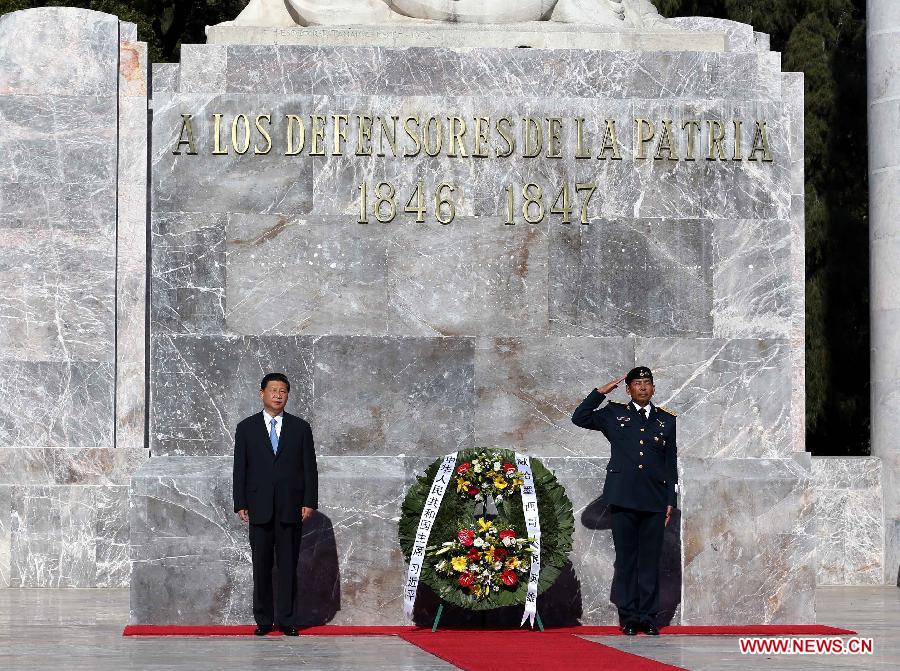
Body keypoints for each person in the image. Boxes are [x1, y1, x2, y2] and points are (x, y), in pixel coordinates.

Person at [571, 366, 677, 636]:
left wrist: (670, 500)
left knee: (650, 561)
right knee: (627, 560)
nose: (643, 387)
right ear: (628, 389)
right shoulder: (614, 413)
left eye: (647, 383)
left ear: (653, 388)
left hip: (654, 500)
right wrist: (599, 393)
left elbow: (669, 462)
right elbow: (579, 418)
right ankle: (629, 617)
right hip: (624, 498)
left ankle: (648, 617)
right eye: (637, 383)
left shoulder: (667, 420)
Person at [233, 373, 319, 636]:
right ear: (262, 393)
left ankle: (287, 620)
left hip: (291, 507)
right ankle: (262, 620)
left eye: (283, 391)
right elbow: (240, 469)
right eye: (273, 390)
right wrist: (240, 502)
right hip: (258, 508)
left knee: (287, 566)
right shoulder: (246, 428)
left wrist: (309, 501)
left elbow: (309, 469)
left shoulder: (300, 428)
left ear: (287, 395)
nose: (278, 395)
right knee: (260, 567)